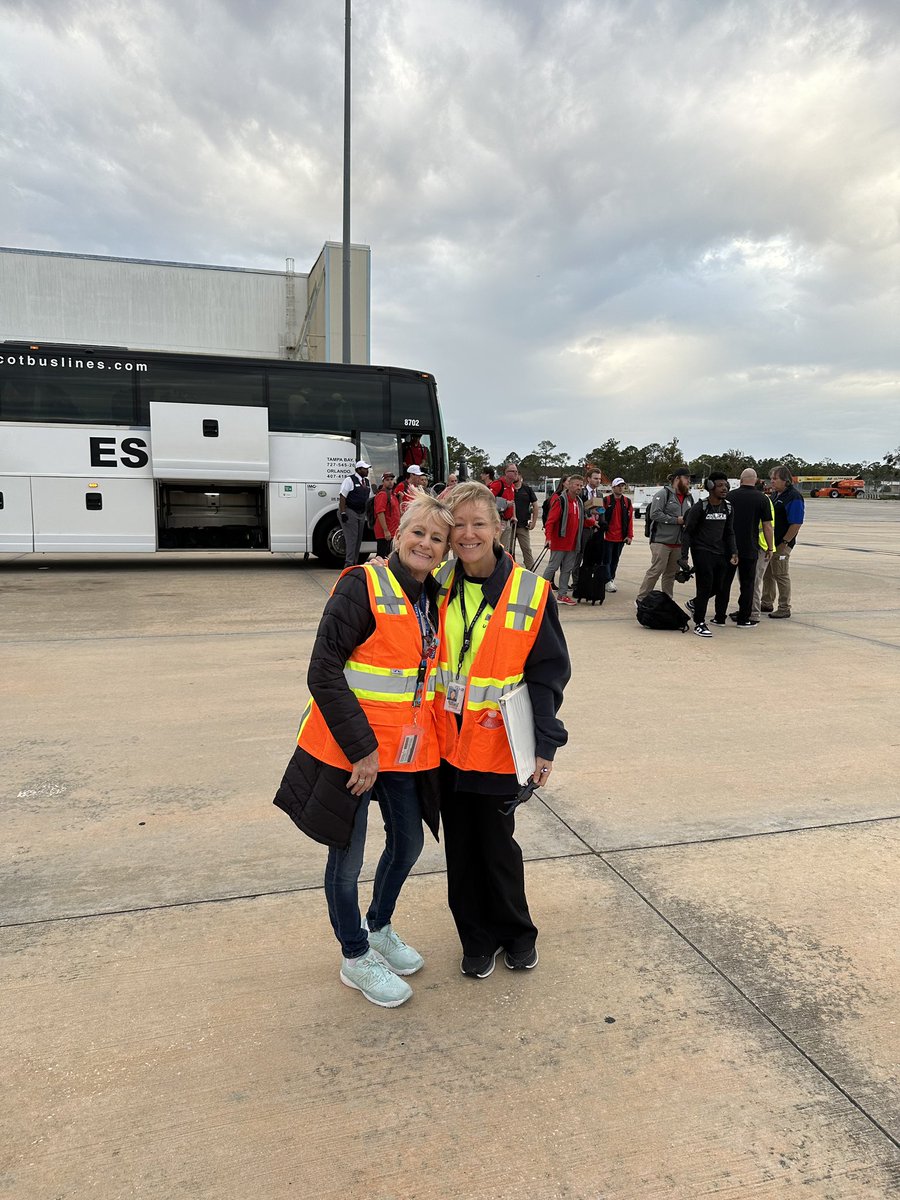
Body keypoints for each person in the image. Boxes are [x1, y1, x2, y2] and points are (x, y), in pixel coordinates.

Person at [273, 494, 454, 1008]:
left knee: (409, 845)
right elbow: (323, 671)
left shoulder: (434, 595)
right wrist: (362, 750)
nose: (425, 543)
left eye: (436, 538)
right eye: (417, 532)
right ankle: (354, 957)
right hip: (350, 753)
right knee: (347, 860)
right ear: (397, 534)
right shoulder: (361, 584)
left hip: (405, 751)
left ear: (444, 552)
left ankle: (377, 927)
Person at [435, 482, 570, 977]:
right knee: (461, 849)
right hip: (446, 745)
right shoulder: (435, 585)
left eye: (478, 523)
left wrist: (546, 744)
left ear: (498, 529)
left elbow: (548, 674)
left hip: (498, 746)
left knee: (497, 847)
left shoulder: (531, 593)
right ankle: (475, 938)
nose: (468, 534)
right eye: (458, 525)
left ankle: (516, 933)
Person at [680, 473, 738, 637]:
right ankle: (699, 622)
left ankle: (695, 604)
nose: (724, 488)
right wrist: (684, 556)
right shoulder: (700, 507)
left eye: (726, 485)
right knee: (705, 587)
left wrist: (734, 551)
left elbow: (729, 532)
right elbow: (688, 532)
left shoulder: (728, 507)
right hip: (702, 551)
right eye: (720, 485)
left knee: (719, 587)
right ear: (710, 486)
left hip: (720, 552)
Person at [720, 469, 774, 627]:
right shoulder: (762, 498)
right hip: (750, 548)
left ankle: (719, 617)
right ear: (756, 480)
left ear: (740, 479)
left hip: (729, 548)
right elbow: (767, 526)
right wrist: (770, 548)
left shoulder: (729, 497)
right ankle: (744, 618)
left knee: (725, 583)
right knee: (748, 584)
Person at [636, 467, 693, 602]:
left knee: (671, 574)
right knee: (656, 570)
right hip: (661, 541)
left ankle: (668, 600)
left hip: (679, 543)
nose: (689, 481)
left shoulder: (689, 497)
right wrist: (676, 520)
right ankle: (641, 599)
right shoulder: (663, 494)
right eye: (686, 478)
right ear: (677, 479)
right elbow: (654, 514)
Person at [761, 465, 805, 619]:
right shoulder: (775, 495)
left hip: (782, 543)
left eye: (775, 479)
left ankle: (784, 607)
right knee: (767, 574)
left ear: (785, 480)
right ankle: (766, 602)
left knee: (781, 574)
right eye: (771, 478)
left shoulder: (794, 497)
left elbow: (796, 523)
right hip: (771, 543)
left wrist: (785, 542)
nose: (772, 482)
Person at [543, 474, 591, 605]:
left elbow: (581, 521)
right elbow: (550, 521)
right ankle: (539, 591)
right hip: (559, 542)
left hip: (573, 543)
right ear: (569, 485)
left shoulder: (579, 502)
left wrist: (592, 522)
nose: (579, 488)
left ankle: (562, 594)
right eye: (576, 485)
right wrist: (548, 538)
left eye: (581, 486)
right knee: (552, 567)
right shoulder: (561, 501)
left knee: (567, 569)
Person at [601, 477, 633, 593]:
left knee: (615, 559)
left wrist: (630, 535)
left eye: (622, 486)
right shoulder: (607, 500)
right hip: (608, 536)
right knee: (607, 560)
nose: (621, 488)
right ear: (613, 487)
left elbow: (630, 520)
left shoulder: (627, 502)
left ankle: (611, 579)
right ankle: (607, 580)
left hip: (621, 537)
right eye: (618, 486)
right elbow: (601, 515)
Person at [339, 459, 371, 568]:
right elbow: (343, 496)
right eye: (365, 469)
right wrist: (343, 512)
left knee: (358, 539)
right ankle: (348, 564)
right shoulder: (349, 480)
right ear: (358, 469)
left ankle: (355, 562)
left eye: (367, 469)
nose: (367, 471)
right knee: (352, 538)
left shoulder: (366, 482)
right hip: (350, 511)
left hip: (361, 513)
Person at [512, 471, 539, 568]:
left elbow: (535, 506)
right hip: (510, 525)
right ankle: (510, 570)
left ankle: (531, 570)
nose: (514, 476)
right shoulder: (508, 489)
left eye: (516, 474)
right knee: (509, 551)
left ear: (520, 476)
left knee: (526, 549)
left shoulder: (527, 489)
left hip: (523, 525)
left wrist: (534, 522)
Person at [490, 463, 518, 553]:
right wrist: (505, 503)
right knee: (494, 546)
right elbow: (488, 499)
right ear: (506, 472)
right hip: (498, 521)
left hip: (508, 521)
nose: (516, 473)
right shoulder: (498, 484)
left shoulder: (512, 486)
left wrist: (514, 516)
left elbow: (513, 502)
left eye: (516, 471)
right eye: (513, 471)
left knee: (504, 549)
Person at [373, 470, 401, 559]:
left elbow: (396, 512)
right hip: (385, 533)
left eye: (391, 479)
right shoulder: (383, 495)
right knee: (381, 557)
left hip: (392, 532)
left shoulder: (392, 495)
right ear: (383, 482)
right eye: (387, 480)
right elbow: (380, 512)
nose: (390, 482)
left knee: (389, 557)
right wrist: (385, 530)